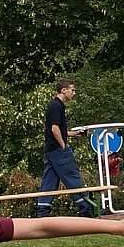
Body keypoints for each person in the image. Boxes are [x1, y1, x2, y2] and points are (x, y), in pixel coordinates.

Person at [37, 78, 95, 218]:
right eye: (72, 90)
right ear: (64, 90)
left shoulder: (53, 105)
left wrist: (74, 134)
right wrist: (63, 146)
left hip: (50, 150)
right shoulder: (58, 106)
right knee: (72, 177)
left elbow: (58, 130)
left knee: (49, 182)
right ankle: (86, 208)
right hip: (58, 150)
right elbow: (54, 129)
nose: (74, 93)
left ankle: (42, 213)